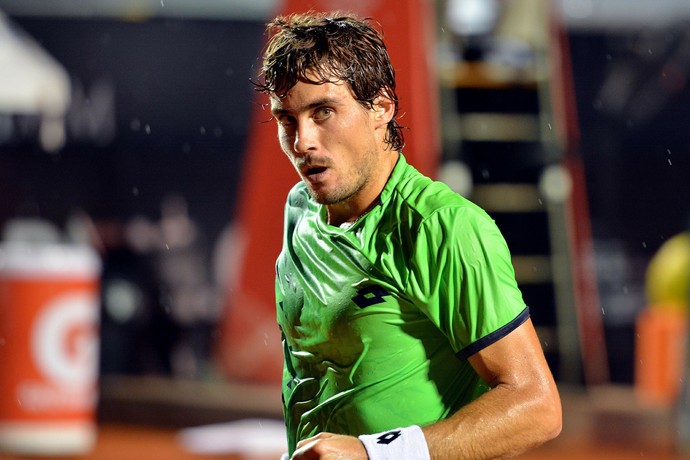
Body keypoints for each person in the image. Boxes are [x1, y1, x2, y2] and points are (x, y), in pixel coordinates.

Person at [255, 11, 562, 459]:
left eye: (323, 112)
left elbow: (537, 407)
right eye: (287, 120)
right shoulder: (300, 209)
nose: (302, 142)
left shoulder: (444, 227)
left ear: (381, 107)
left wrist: (372, 454)